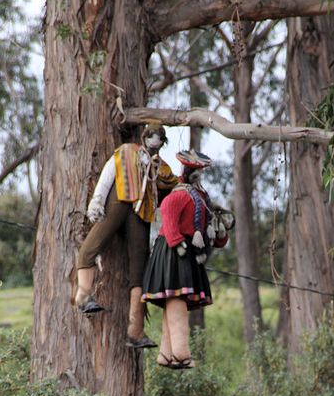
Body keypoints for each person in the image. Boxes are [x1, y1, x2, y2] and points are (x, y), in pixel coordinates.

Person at [74, 123, 178, 349]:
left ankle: (135, 329)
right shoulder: (127, 152)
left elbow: (168, 195)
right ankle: (83, 295)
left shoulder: (162, 169)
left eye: (159, 137)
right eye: (151, 135)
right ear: (144, 137)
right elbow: (108, 173)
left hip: (141, 213)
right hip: (118, 201)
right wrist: (97, 199)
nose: (154, 140)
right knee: (94, 242)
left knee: (140, 266)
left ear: (163, 142)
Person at [142, 150, 229, 369]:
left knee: (174, 302)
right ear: (189, 171)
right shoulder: (179, 195)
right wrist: (178, 244)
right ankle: (181, 353)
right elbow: (169, 217)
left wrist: (219, 232)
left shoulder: (202, 198)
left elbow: (208, 231)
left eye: (202, 172)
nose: (200, 175)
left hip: (187, 251)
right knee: (176, 301)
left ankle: (167, 353)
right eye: (197, 171)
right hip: (174, 251)